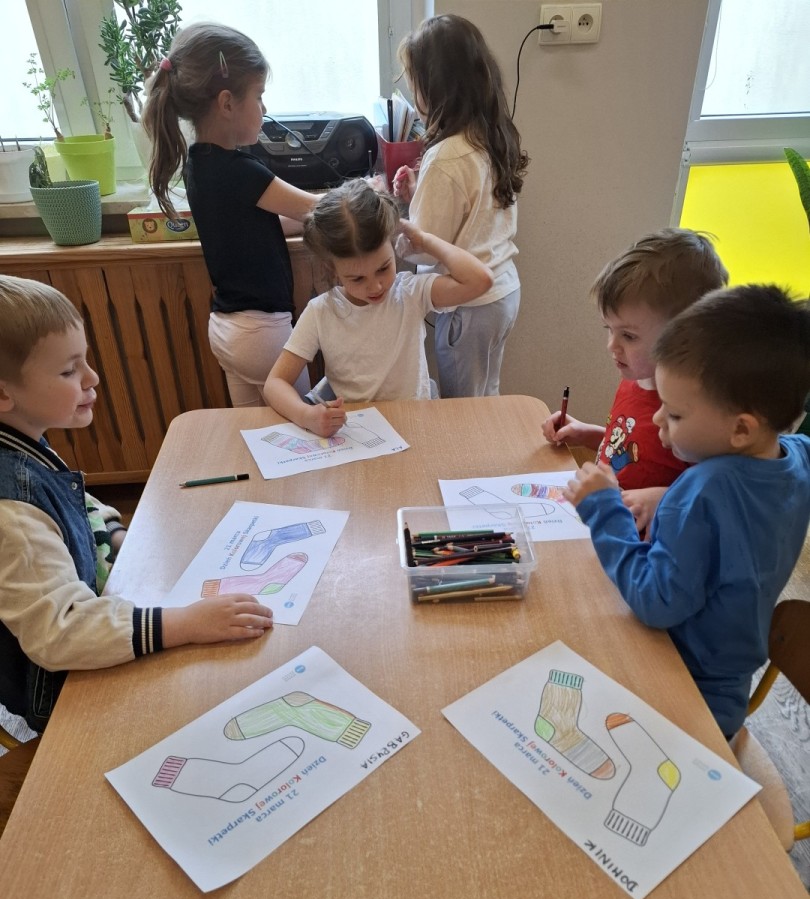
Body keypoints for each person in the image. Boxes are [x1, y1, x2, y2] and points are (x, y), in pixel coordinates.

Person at [0, 275, 273, 732]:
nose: (93, 378)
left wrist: (115, 534)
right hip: (67, 691)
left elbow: (74, 501)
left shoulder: (23, 444)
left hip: (99, 619)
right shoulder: (11, 511)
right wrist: (185, 624)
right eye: (69, 371)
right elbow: (61, 633)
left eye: (85, 360)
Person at [564, 283, 810, 741]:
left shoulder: (700, 495)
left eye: (674, 414)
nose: (658, 420)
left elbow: (655, 602)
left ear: (741, 429)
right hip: (730, 685)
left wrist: (603, 510)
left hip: (680, 688)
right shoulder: (797, 455)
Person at [143, 23, 322, 409]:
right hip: (263, 333)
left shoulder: (199, 164)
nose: (265, 109)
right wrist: (371, 190)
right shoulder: (242, 171)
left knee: (253, 434)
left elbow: (265, 223)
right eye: (259, 95)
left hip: (228, 329)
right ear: (227, 104)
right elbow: (317, 208)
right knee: (306, 431)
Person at [263, 179, 493, 436]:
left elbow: (480, 280)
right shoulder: (321, 312)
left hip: (413, 425)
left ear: (393, 246)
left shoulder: (411, 293)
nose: (375, 287)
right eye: (357, 279)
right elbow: (275, 383)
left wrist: (425, 240)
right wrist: (306, 415)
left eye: (383, 268)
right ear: (333, 269)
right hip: (358, 434)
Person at [542, 229, 729, 533]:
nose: (612, 346)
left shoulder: (692, 411)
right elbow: (635, 451)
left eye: (628, 336)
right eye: (609, 329)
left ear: (685, 336)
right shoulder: (635, 378)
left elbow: (722, 496)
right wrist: (588, 434)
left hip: (650, 546)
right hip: (609, 527)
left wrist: (663, 499)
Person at [392, 14, 527, 399]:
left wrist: (400, 227)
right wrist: (420, 194)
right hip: (503, 291)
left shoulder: (446, 156)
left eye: (415, 84)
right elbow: (473, 213)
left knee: (461, 410)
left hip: (470, 307)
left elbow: (423, 246)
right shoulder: (490, 135)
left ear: (434, 87)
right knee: (486, 399)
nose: (414, 96)